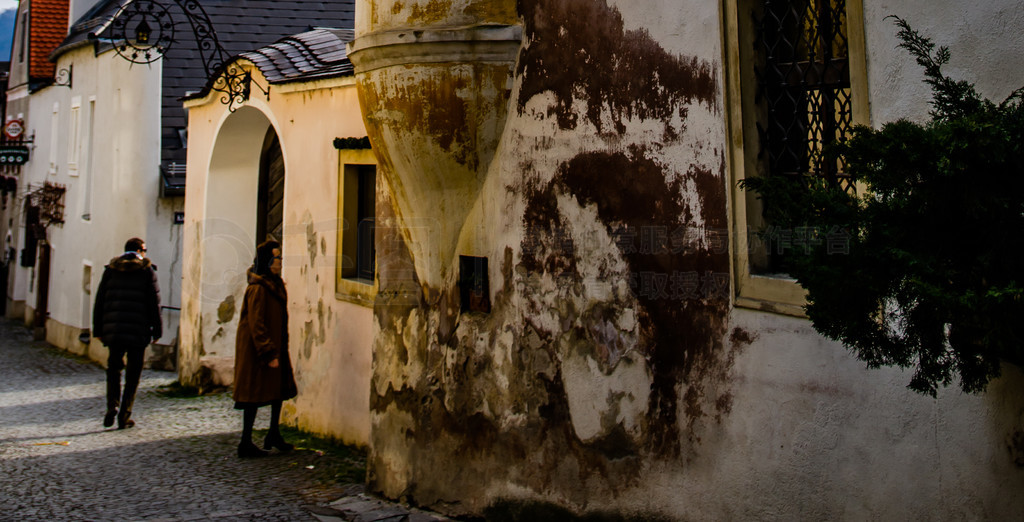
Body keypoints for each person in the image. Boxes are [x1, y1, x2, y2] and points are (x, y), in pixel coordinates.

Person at [234, 240, 297, 458]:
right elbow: (256, 323)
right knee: (253, 394)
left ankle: (273, 432)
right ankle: (246, 441)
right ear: (268, 262)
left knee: (277, 390)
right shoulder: (258, 288)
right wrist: (268, 351)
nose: (280, 262)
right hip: (257, 352)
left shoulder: (275, 284)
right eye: (277, 258)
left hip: (275, 345)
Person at [93, 237, 162, 429]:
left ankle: (111, 406)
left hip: (114, 332)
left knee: (113, 370)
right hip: (138, 332)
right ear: (140, 250)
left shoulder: (111, 270)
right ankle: (125, 414)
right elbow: (154, 303)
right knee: (133, 374)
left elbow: (100, 301)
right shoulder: (147, 271)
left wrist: (98, 329)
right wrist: (157, 330)